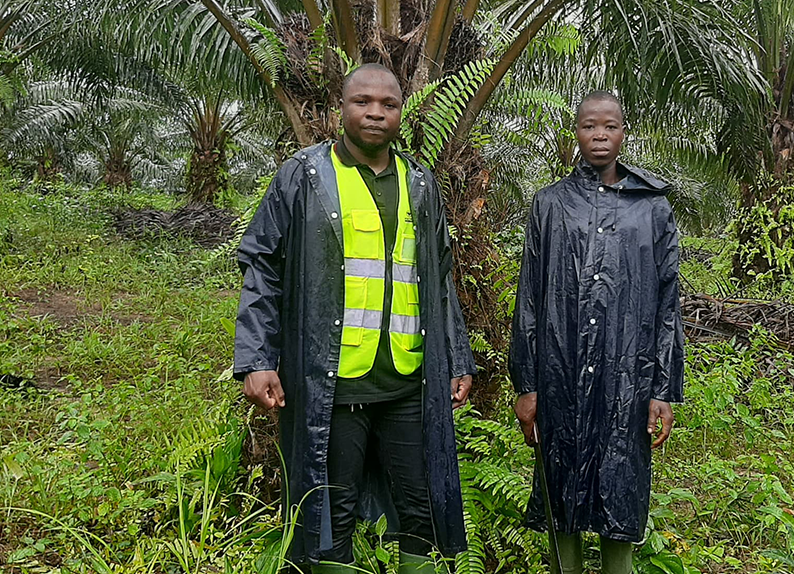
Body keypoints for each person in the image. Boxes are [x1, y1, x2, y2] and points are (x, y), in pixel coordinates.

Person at [234, 63, 476, 572]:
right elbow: (262, 265)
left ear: (402, 113)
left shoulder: (420, 183)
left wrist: (457, 357)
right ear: (340, 108)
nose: (375, 113)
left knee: (422, 510)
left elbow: (439, 277)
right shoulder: (305, 176)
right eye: (362, 102)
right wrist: (257, 359)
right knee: (330, 514)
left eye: (388, 104)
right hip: (334, 385)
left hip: (407, 383)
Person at [509, 91, 685, 574]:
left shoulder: (652, 209)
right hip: (560, 374)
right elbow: (530, 298)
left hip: (627, 378)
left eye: (610, 126)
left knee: (620, 488)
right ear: (577, 132)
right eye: (590, 126)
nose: (600, 136)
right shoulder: (550, 205)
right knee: (560, 488)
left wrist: (663, 390)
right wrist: (527, 385)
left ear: (624, 132)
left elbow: (667, 303)